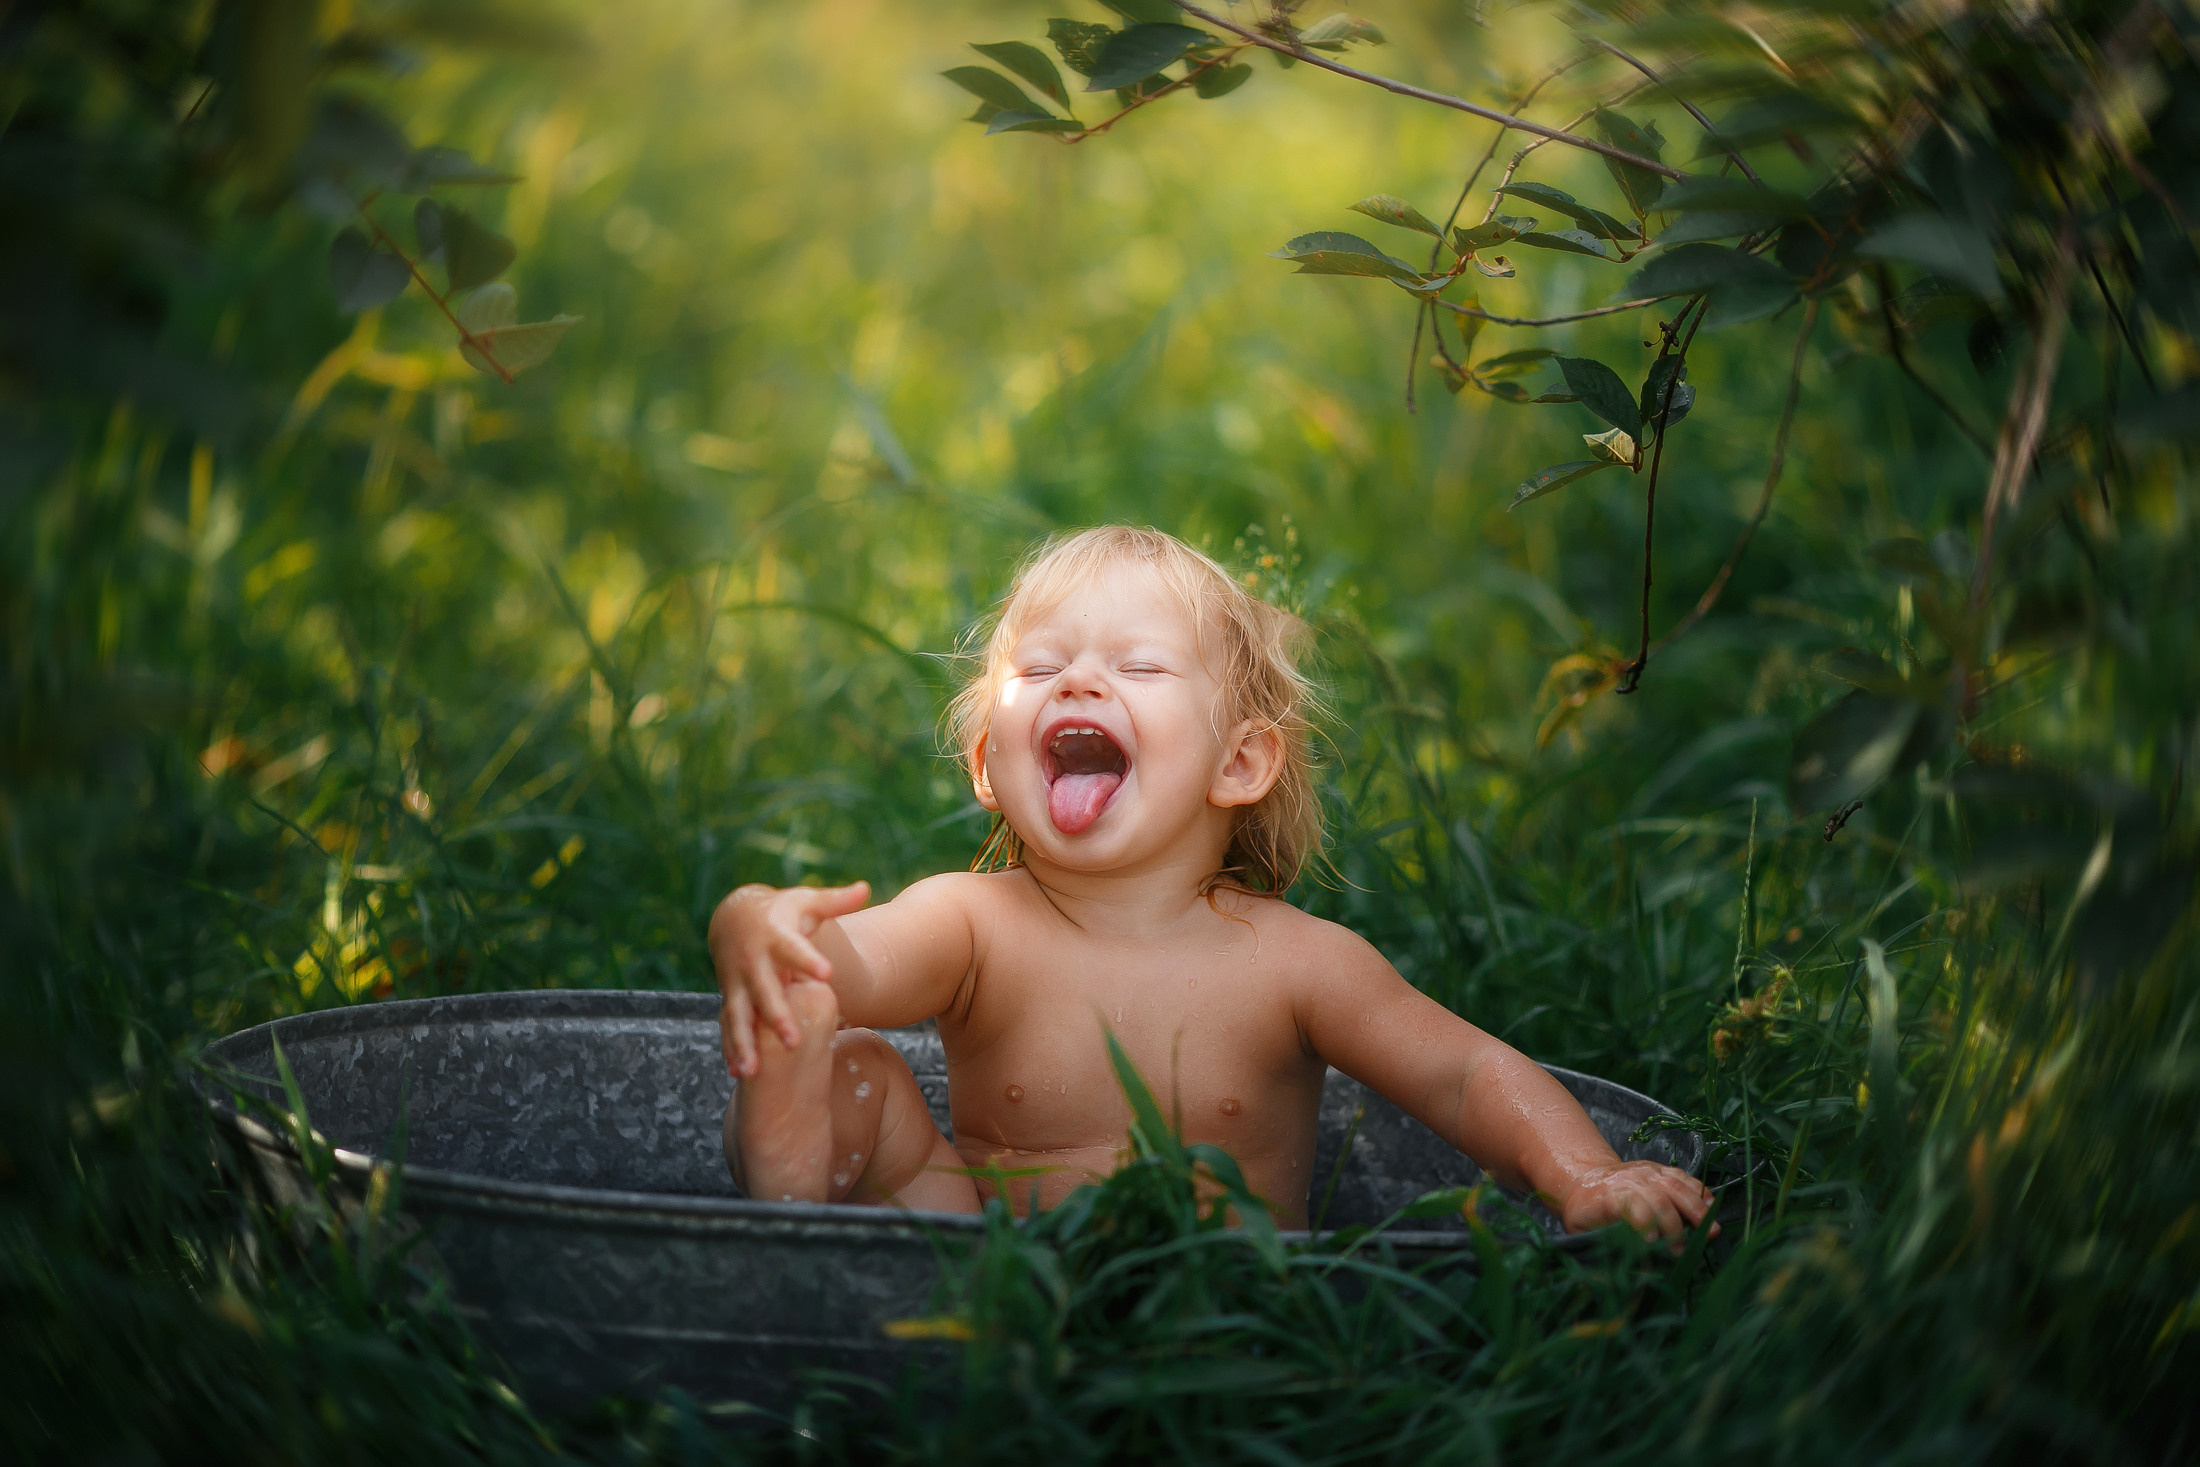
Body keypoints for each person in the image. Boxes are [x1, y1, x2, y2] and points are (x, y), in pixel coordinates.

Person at [710, 526, 1715, 1241]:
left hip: (1227, 1307)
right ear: (985, 762)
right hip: (978, 1280)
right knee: (845, 1062)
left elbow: (1462, 1074)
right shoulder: (972, 924)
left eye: (1138, 669)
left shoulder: (1295, 964)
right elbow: (848, 963)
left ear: (1239, 765)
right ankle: (790, 1261)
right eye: (1043, 666)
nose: (1079, 682)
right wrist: (762, 934)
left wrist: (1585, 1173)